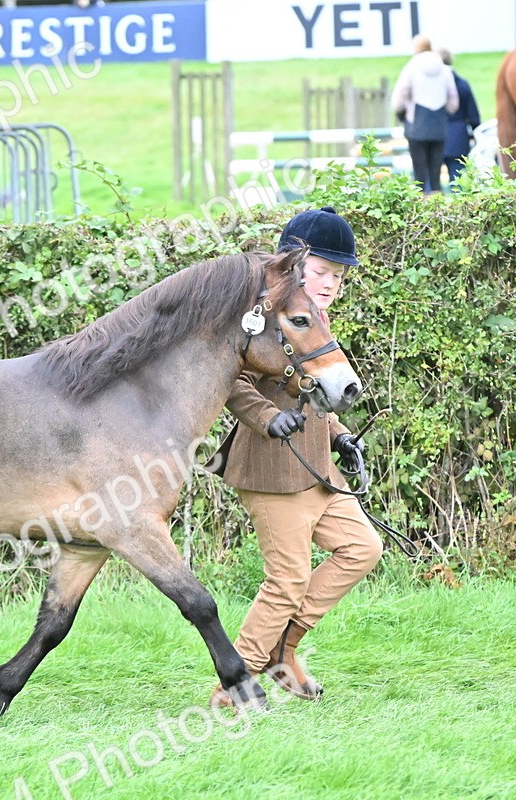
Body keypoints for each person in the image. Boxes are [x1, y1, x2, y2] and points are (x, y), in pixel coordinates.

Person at [209, 207, 383, 706]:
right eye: (324, 271)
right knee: (287, 581)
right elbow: (233, 381)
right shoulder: (259, 318)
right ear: (293, 265)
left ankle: (285, 652)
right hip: (271, 469)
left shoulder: (315, 315)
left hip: (316, 467)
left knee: (361, 549)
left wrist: (341, 435)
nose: (333, 283)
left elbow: (316, 390)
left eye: (340, 275)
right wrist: (266, 417)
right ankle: (233, 686)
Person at [392, 35, 459, 194]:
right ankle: (437, 205)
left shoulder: (411, 67)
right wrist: (445, 113)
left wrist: (402, 113)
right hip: (439, 125)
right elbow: (453, 99)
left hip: (416, 125)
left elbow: (400, 96)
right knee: (435, 173)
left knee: (419, 172)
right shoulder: (443, 68)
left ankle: (421, 206)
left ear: (416, 48)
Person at [437, 48, 482, 188]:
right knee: (458, 183)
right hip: (458, 136)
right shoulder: (462, 84)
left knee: (430, 184)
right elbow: (474, 116)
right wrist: (476, 134)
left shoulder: (431, 85)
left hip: (434, 135)